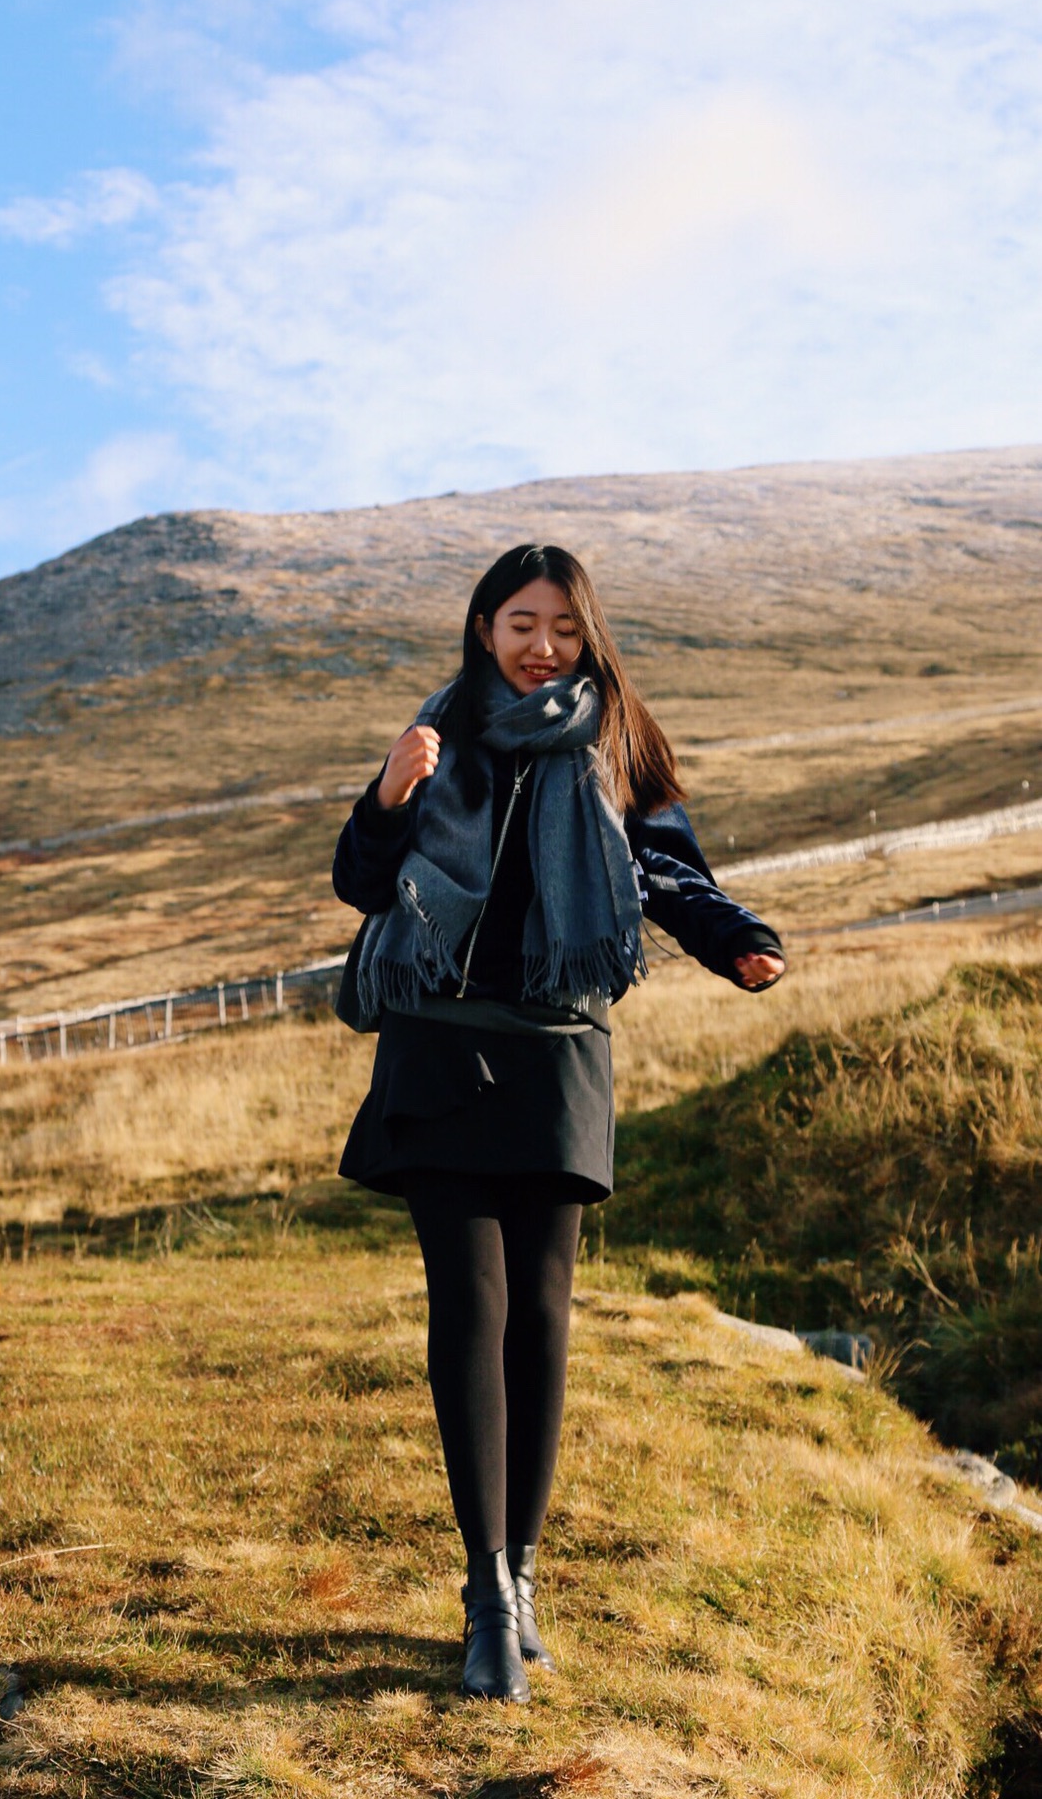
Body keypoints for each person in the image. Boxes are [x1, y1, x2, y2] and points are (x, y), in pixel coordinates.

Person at [332, 543, 785, 1704]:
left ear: (586, 637)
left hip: (559, 1053)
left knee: (540, 1316)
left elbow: (664, 869)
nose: (542, 646)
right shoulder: (439, 731)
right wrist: (386, 797)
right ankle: (484, 1595)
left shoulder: (616, 739)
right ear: (484, 625)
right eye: (521, 622)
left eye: (563, 628)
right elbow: (360, 880)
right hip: (439, 1043)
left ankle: (523, 1580)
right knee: (469, 1309)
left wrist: (730, 939)